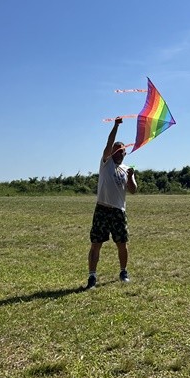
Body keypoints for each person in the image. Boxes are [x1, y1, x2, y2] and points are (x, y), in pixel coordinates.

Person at [85, 116, 137, 289]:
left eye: (120, 151)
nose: (117, 153)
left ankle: (123, 272)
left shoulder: (126, 169)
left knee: (122, 243)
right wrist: (116, 126)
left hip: (118, 212)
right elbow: (109, 143)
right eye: (115, 151)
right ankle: (92, 277)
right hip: (102, 209)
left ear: (124, 153)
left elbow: (133, 190)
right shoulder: (106, 163)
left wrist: (130, 177)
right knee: (96, 244)